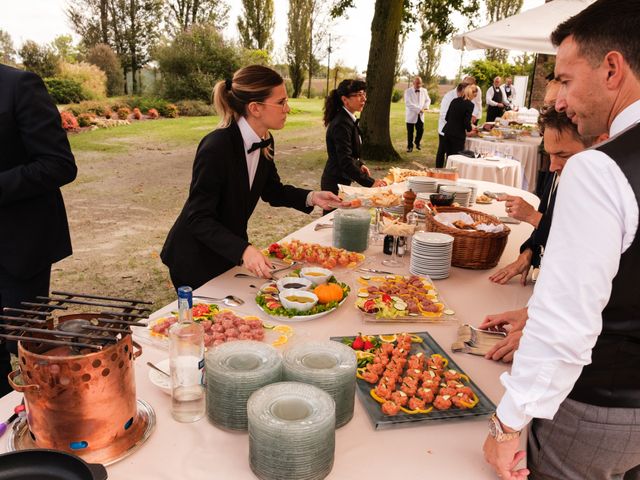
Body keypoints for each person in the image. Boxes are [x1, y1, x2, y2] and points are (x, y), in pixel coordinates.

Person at [483, 2, 640, 479]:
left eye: (566, 80)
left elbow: (567, 325)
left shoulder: (600, 168)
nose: (559, 102)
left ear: (611, 68)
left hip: (597, 410)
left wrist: (506, 423)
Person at [161, 65, 346, 290]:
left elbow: (272, 191)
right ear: (255, 108)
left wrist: (312, 197)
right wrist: (243, 250)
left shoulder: (265, 140)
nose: (287, 109)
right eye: (281, 102)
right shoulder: (217, 146)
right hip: (194, 258)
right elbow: (198, 218)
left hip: (226, 254)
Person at [0, 64, 77, 397]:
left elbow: (59, 163)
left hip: (18, 251)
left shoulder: (19, 85)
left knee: (31, 353)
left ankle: (44, 428)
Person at [489, 107, 602, 287]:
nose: (552, 166)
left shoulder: (603, 192)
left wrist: (532, 217)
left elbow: (581, 248)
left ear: (599, 143)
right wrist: (529, 252)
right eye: (550, 154)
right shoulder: (559, 170)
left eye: (563, 155)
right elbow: (548, 214)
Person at [321, 79, 386, 212]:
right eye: (358, 95)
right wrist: (371, 182)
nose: (364, 98)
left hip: (342, 180)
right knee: (333, 222)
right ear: (345, 100)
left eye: (364, 94)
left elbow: (350, 152)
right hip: (335, 183)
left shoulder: (348, 119)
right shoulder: (341, 123)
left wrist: (359, 164)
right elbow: (344, 160)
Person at [441, 84, 476, 160]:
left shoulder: (454, 100)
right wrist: (470, 130)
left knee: (449, 157)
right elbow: (466, 122)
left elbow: (447, 117)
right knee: (457, 158)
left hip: (447, 132)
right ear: (470, 94)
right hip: (458, 135)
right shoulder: (470, 104)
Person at [435, 82, 466, 168]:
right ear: (461, 90)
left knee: (451, 153)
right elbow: (443, 115)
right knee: (442, 151)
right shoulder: (448, 97)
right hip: (444, 129)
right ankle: (438, 170)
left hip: (454, 131)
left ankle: (448, 171)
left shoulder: (462, 98)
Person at [404, 76, 431, 152]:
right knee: (410, 132)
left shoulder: (424, 91)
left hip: (421, 115)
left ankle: (417, 142)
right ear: (413, 83)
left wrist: (425, 107)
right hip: (411, 115)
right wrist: (419, 110)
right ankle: (410, 146)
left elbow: (428, 100)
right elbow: (408, 103)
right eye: (417, 83)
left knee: (420, 130)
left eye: (420, 83)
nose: (418, 85)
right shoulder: (407, 91)